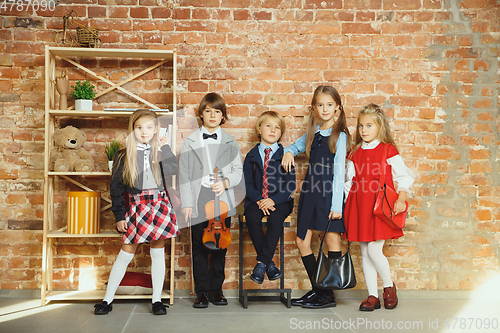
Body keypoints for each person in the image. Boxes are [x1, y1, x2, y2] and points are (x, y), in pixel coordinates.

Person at [94, 109, 180, 316]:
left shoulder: (160, 152)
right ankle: (107, 300)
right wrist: (119, 216)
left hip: (160, 206)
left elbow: (173, 171)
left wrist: (165, 146)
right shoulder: (123, 155)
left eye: (149, 127)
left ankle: (157, 300)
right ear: (132, 130)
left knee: (157, 254)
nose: (144, 132)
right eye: (139, 127)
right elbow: (116, 189)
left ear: (156, 130)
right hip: (137, 207)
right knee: (125, 255)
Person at [282, 85, 351, 309]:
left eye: (329, 105)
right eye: (320, 105)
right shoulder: (313, 133)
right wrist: (290, 152)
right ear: (313, 108)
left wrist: (337, 205)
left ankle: (325, 295)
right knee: (302, 240)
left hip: (329, 194)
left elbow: (339, 171)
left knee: (332, 240)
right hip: (310, 192)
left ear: (337, 108)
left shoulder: (340, 136)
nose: (325, 109)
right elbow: (292, 146)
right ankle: (320, 291)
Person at [344, 103, 415, 311]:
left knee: (375, 250)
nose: (363, 130)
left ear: (380, 127)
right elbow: (349, 182)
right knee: (365, 252)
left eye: (369, 126)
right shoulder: (355, 152)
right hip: (359, 206)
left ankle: (388, 287)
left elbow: (403, 175)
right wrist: (348, 207)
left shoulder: (387, 149)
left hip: (379, 206)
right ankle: (372, 296)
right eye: (360, 126)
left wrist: (401, 198)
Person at [179, 92, 243, 308]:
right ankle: (202, 292)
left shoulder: (230, 141)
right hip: (199, 197)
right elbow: (185, 175)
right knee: (199, 246)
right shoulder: (191, 141)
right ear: (201, 114)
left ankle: (217, 290)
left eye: (217, 112)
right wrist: (187, 203)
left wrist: (225, 182)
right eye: (208, 111)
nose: (213, 115)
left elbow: (237, 171)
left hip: (221, 199)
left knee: (220, 245)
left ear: (223, 116)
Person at [243, 111, 296, 284]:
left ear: (281, 133)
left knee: (275, 218)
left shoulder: (285, 155)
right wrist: (259, 199)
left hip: (280, 201)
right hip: (256, 199)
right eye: (268, 125)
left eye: (277, 127)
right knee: (251, 216)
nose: (273, 130)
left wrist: (273, 200)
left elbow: (290, 185)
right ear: (259, 128)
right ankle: (269, 264)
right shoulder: (251, 156)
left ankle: (261, 264)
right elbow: (246, 184)